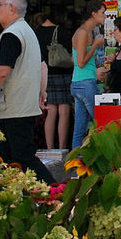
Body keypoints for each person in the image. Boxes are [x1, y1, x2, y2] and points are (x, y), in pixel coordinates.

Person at [0, 0, 55, 184]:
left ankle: (55, 191)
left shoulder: (11, 35)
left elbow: (2, 71)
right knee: (6, 159)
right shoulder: (27, 31)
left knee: (23, 157)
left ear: (11, 8)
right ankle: (6, 196)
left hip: (13, 108)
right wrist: (41, 93)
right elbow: (43, 66)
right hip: (20, 107)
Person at [35, 9, 72, 150]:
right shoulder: (60, 31)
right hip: (62, 74)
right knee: (64, 112)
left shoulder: (36, 32)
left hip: (45, 74)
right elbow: (69, 52)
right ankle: (62, 147)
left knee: (50, 112)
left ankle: (49, 148)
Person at [71, 0, 106, 149]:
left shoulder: (88, 32)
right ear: (93, 14)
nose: (105, 16)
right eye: (102, 13)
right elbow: (80, 61)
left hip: (80, 82)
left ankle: (74, 163)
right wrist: (96, 46)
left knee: (80, 127)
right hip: (85, 83)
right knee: (101, 123)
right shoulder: (83, 32)